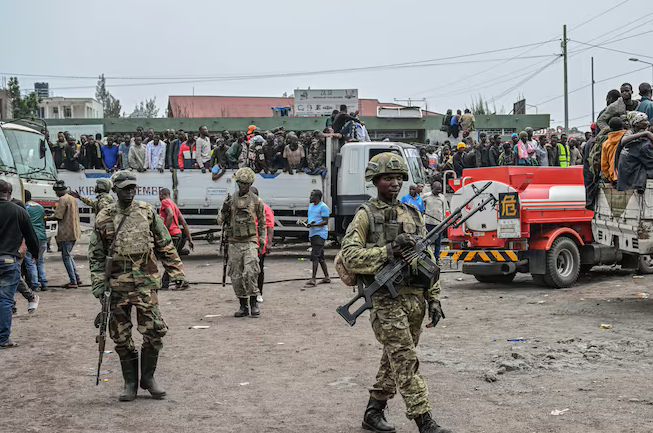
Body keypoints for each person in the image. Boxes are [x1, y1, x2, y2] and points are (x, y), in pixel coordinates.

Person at [340, 152, 450, 433]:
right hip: (385, 300)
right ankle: (424, 422)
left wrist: (434, 298)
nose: (395, 183)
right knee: (405, 358)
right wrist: (388, 250)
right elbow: (350, 255)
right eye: (388, 177)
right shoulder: (366, 214)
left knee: (395, 357)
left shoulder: (412, 213)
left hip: (415, 300)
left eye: (399, 177)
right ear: (375, 180)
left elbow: (429, 261)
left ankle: (373, 412)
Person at [89, 170, 186, 401]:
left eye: (133, 187)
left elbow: (165, 243)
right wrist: (98, 285)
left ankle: (148, 378)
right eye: (125, 188)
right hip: (117, 287)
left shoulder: (147, 212)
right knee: (120, 336)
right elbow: (95, 255)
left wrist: (176, 271)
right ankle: (130, 382)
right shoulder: (104, 216)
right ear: (115, 190)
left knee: (154, 331)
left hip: (145, 283)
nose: (130, 192)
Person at [220, 168, 266, 317]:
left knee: (251, 271)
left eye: (247, 184)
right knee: (235, 275)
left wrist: (262, 240)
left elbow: (262, 223)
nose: (243, 186)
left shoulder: (257, 201)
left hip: (250, 241)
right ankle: (243, 305)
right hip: (234, 242)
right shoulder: (230, 200)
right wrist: (224, 210)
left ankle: (254, 303)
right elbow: (219, 220)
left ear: (250, 183)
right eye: (241, 183)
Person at [0, 180, 40, 348]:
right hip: (9, 260)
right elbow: (31, 236)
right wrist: (35, 254)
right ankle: (3, 339)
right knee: (5, 300)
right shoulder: (18, 211)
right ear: (9, 192)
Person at [158, 188, 193, 290]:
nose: (159, 198)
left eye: (160, 195)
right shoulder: (174, 204)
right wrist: (190, 239)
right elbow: (184, 222)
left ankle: (180, 280)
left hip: (172, 234)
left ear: (163, 194)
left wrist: (165, 231)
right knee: (172, 258)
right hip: (178, 234)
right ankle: (166, 283)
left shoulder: (165, 202)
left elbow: (170, 215)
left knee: (168, 258)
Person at [50, 180, 82, 289]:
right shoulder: (72, 198)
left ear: (60, 191)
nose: (56, 194)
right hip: (75, 231)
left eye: (56, 192)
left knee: (66, 257)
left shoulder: (63, 199)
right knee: (68, 255)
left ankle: (73, 281)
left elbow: (58, 216)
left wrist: (46, 217)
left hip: (66, 232)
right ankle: (77, 278)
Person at [249, 187, 274, 303]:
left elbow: (270, 227)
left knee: (259, 269)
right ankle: (250, 292)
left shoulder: (265, 208)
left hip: (260, 244)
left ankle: (259, 292)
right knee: (248, 269)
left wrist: (268, 243)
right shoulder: (245, 207)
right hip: (247, 243)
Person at [616, 116, 653, 192]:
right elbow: (651, 163)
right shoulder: (644, 144)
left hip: (625, 176)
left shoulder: (633, 137)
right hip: (632, 178)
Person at [305, 189, 330, 287]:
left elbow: (325, 221)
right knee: (320, 257)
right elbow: (311, 218)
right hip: (313, 233)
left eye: (312, 196)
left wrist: (314, 225)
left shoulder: (324, 207)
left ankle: (313, 279)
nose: (310, 197)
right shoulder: (311, 206)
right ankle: (327, 277)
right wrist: (307, 222)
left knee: (315, 256)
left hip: (320, 234)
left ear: (318, 197)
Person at [24, 190, 48, 291]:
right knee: (40, 260)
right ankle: (44, 282)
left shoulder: (24, 207)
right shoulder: (40, 206)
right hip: (42, 236)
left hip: (32, 237)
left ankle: (35, 284)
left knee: (31, 261)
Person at [422, 181, 449, 261]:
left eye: (439, 190)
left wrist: (444, 222)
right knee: (427, 242)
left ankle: (437, 259)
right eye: (437, 189)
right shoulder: (425, 196)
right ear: (432, 188)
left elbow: (445, 210)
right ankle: (427, 258)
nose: (438, 191)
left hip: (439, 224)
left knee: (438, 243)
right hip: (428, 223)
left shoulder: (442, 198)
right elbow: (421, 208)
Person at [600, 117, 628, 183]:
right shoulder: (628, 138)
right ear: (622, 126)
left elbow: (604, 165)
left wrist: (610, 177)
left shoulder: (606, 144)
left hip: (614, 177)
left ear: (610, 129)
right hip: (628, 175)